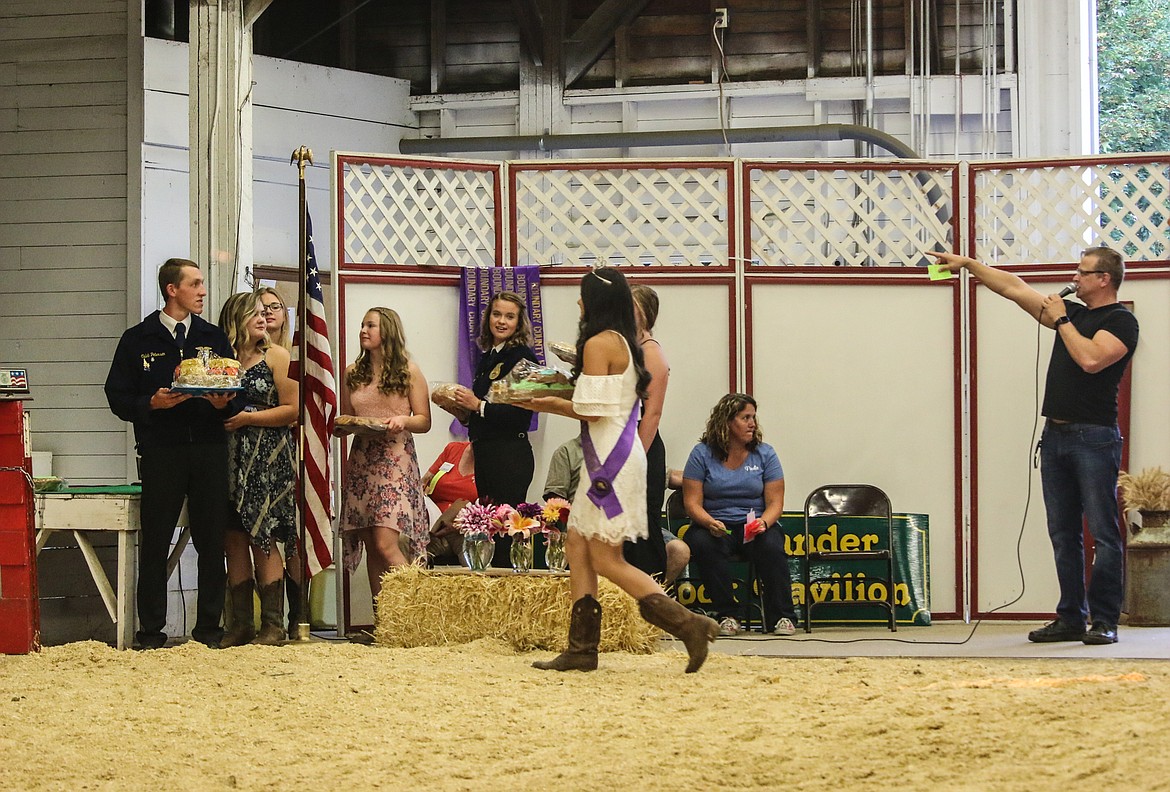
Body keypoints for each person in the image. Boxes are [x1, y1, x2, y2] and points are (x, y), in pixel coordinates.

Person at [929, 247, 1138, 645]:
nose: (1075, 277)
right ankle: (1071, 617)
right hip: (1056, 436)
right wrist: (970, 265)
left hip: (1094, 438)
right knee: (1063, 533)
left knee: (1104, 533)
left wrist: (1061, 319)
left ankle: (1105, 620)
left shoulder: (1120, 321)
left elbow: (1091, 360)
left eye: (1082, 272)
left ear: (1104, 279)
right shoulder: (1072, 315)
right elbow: (1014, 288)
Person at [522, 267, 719, 673]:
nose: (578, 302)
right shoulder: (624, 343)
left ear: (596, 301)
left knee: (606, 558)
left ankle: (687, 625)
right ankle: (581, 648)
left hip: (607, 460)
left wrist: (543, 401)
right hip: (616, 452)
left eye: (582, 295)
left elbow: (590, 410)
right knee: (577, 544)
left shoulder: (598, 342)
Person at [104, 258, 237, 649]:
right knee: (156, 540)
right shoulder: (138, 339)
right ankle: (150, 634)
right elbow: (117, 396)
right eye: (195, 284)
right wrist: (151, 404)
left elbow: (233, 392)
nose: (203, 291)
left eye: (202, 284)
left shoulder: (213, 337)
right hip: (162, 452)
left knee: (212, 541)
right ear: (171, 290)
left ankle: (209, 632)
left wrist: (222, 406)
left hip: (210, 450)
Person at [217, 292, 298, 647]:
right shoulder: (223, 361)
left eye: (266, 313)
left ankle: (273, 624)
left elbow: (293, 409)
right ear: (237, 319)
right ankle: (240, 623)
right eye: (255, 314)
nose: (263, 318)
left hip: (267, 454)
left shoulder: (278, 356)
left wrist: (250, 418)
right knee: (233, 537)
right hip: (230, 455)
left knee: (262, 535)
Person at [682, 393, 799, 637]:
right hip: (715, 525)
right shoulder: (701, 454)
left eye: (753, 417)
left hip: (755, 525)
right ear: (726, 422)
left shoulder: (765, 454)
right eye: (745, 417)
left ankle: (782, 616)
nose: (752, 424)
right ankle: (727, 615)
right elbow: (692, 503)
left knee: (772, 545)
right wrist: (709, 522)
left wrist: (764, 522)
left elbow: (776, 502)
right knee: (702, 542)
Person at [337, 307, 432, 602]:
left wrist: (402, 421)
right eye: (362, 325)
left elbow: (424, 420)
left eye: (371, 325)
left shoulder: (408, 371)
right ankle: (385, 621)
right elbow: (347, 417)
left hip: (394, 459)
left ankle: (421, 608)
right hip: (363, 459)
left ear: (387, 331)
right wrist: (342, 427)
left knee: (385, 542)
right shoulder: (353, 372)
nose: (363, 330)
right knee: (369, 540)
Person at [440, 291, 539, 565]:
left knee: (506, 531)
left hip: (510, 455)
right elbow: (486, 413)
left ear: (519, 323)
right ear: (488, 318)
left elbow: (520, 416)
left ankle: (510, 594)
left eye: (510, 316)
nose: (502, 321)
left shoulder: (523, 358)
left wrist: (477, 405)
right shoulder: (489, 357)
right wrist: (465, 415)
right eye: (497, 314)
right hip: (487, 453)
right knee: (489, 530)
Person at [545, 435, 689, 585]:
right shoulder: (567, 452)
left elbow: (668, 476)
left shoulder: (627, 450)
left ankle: (655, 594)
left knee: (679, 551)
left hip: (634, 526)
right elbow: (554, 500)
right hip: (588, 526)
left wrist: (701, 477)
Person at [623, 283, 670, 579]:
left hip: (643, 444)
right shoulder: (632, 349)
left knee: (644, 524)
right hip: (628, 441)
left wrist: (634, 456)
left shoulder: (651, 353)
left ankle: (653, 594)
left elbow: (651, 414)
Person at [419, 440, 478, 565]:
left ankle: (477, 581)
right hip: (432, 522)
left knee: (469, 542)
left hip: (462, 528)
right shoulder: (453, 449)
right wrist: (422, 488)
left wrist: (459, 526)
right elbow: (423, 482)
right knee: (404, 539)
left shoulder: (494, 462)